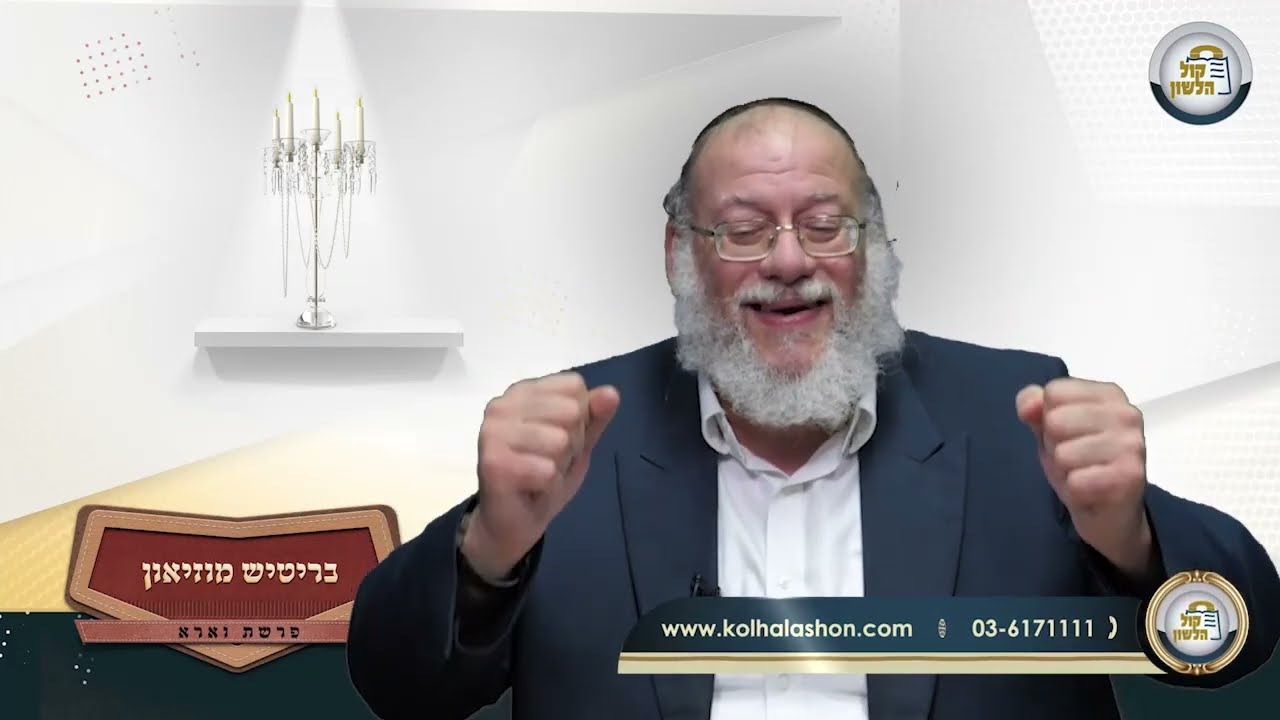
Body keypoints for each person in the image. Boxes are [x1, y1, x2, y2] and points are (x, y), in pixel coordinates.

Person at [346, 98, 1280, 720]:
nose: (789, 260)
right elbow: (398, 687)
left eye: (826, 224)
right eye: (743, 230)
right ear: (679, 253)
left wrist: (1133, 535)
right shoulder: (578, 437)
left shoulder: (1015, 418)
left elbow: (1234, 642)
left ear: (874, 245)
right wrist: (490, 548)